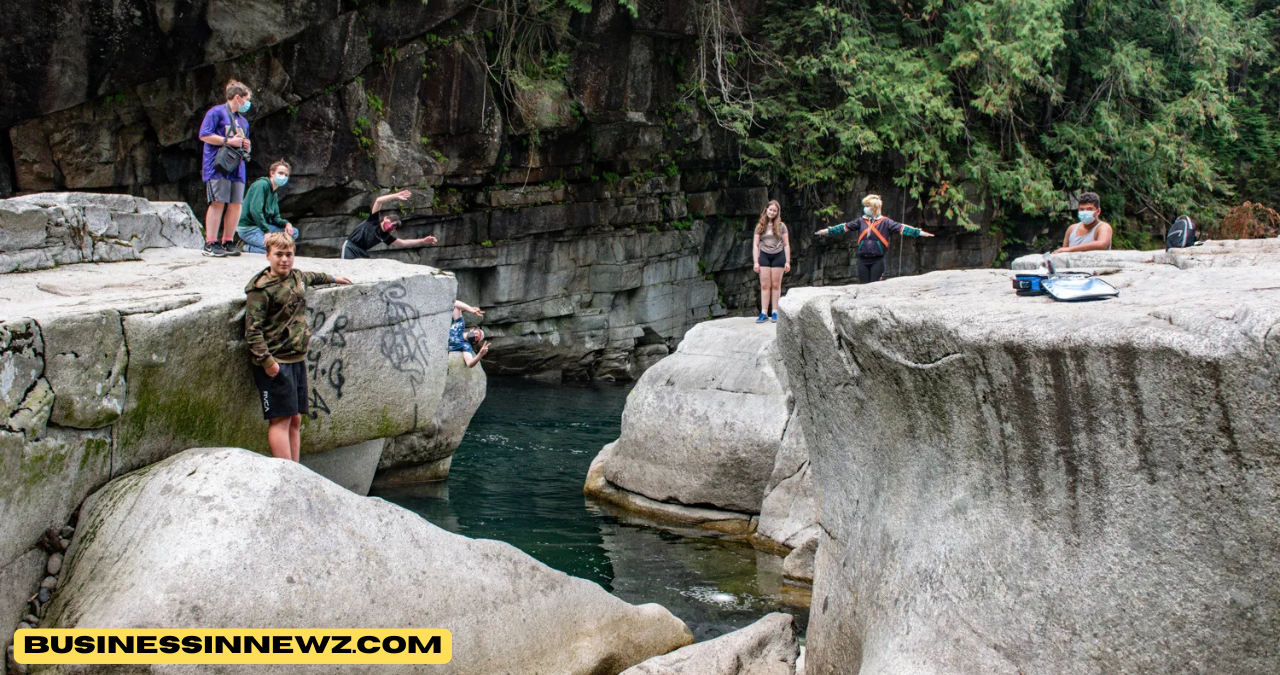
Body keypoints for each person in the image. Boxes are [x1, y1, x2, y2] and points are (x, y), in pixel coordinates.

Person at [244, 232, 352, 461]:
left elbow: (313, 277)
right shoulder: (261, 290)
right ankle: (285, 471)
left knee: (295, 418)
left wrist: (334, 277)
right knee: (280, 419)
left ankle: (295, 468)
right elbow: (252, 331)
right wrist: (268, 363)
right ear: (268, 256)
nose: (284, 259)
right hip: (275, 361)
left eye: (289, 254)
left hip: (295, 359)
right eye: (279, 255)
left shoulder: (296, 276)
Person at [815, 194, 935, 283]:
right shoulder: (861, 220)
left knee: (875, 287)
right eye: (865, 206)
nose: (865, 208)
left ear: (874, 208)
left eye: (867, 206)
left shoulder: (885, 222)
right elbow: (844, 227)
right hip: (863, 259)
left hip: (878, 260)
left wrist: (919, 233)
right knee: (863, 286)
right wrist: (827, 231)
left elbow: (902, 228)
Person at [198, 80, 254, 257]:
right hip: (218, 165)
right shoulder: (216, 112)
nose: (248, 103)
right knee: (218, 202)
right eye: (246, 99)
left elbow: (245, 144)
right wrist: (227, 141)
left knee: (236, 203)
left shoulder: (243, 121)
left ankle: (228, 240)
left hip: (237, 167)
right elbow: (204, 135)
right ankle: (211, 242)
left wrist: (246, 146)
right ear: (237, 97)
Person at [340, 190, 437, 259]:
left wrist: (423, 241)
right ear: (385, 218)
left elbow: (403, 243)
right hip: (351, 246)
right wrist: (395, 196)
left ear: (394, 230)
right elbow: (378, 200)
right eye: (391, 223)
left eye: (394, 227)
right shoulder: (373, 220)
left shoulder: (385, 236)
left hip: (362, 252)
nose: (391, 226)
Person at [237, 160, 297, 254]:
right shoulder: (261, 185)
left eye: (286, 175)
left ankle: (258, 243)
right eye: (280, 173)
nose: (283, 177)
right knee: (274, 250)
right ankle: (246, 247)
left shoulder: (274, 193)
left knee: (294, 233)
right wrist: (266, 231)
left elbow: (275, 217)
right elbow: (255, 210)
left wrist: (286, 224)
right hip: (249, 229)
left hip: (263, 227)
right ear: (272, 173)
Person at [752, 200, 790, 323]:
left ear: (777, 212)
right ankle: (763, 312)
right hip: (764, 256)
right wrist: (756, 262)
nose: (772, 212)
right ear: (766, 210)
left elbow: (786, 244)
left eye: (775, 210)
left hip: (778, 256)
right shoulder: (760, 226)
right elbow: (756, 245)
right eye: (770, 210)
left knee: (775, 285)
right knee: (764, 285)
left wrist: (787, 261)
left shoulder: (782, 226)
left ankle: (775, 311)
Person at [449, 300, 490, 368]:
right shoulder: (460, 325)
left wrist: (480, 354)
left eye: (477, 337)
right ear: (472, 329)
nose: (476, 335)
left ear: (474, 342)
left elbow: (470, 364)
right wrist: (470, 309)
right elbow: (454, 303)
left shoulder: (466, 346)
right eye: (476, 332)